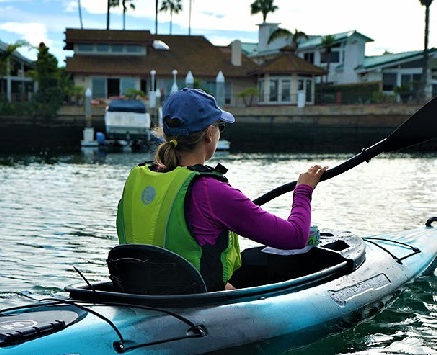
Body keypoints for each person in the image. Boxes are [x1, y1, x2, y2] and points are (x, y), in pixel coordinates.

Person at [116, 88, 326, 291]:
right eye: (220, 127)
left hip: (140, 291)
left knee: (253, 258)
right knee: (283, 258)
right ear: (209, 133)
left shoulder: (139, 178)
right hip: (191, 303)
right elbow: (296, 237)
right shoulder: (210, 190)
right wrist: (303, 191)